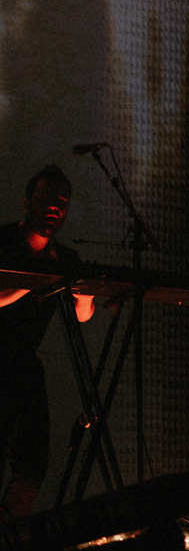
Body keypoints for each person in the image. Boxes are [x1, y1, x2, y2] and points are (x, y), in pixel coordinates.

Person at [0, 164, 95, 520]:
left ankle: (8, 532)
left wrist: (84, 295)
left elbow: (83, 315)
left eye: (61, 202)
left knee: (33, 462)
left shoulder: (66, 258)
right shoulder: (5, 242)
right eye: (46, 199)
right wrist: (37, 278)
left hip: (26, 363)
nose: (54, 207)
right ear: (28, 202)